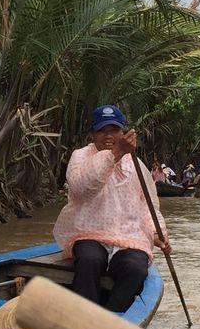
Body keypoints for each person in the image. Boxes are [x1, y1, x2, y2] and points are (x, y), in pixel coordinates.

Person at [52, 104, 170, 312]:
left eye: (114, 130)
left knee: (136, 267)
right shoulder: (81, 156)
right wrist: (115, 154)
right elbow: (81, 189)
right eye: (102, 130)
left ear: (122, 133)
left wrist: (156, 233)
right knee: (90, 260)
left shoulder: (136, 164)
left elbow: (148, 204)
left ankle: (111, 315)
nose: (108, 136)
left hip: (128, 236)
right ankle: (84, 314)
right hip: (89, 233)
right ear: (92, 134)